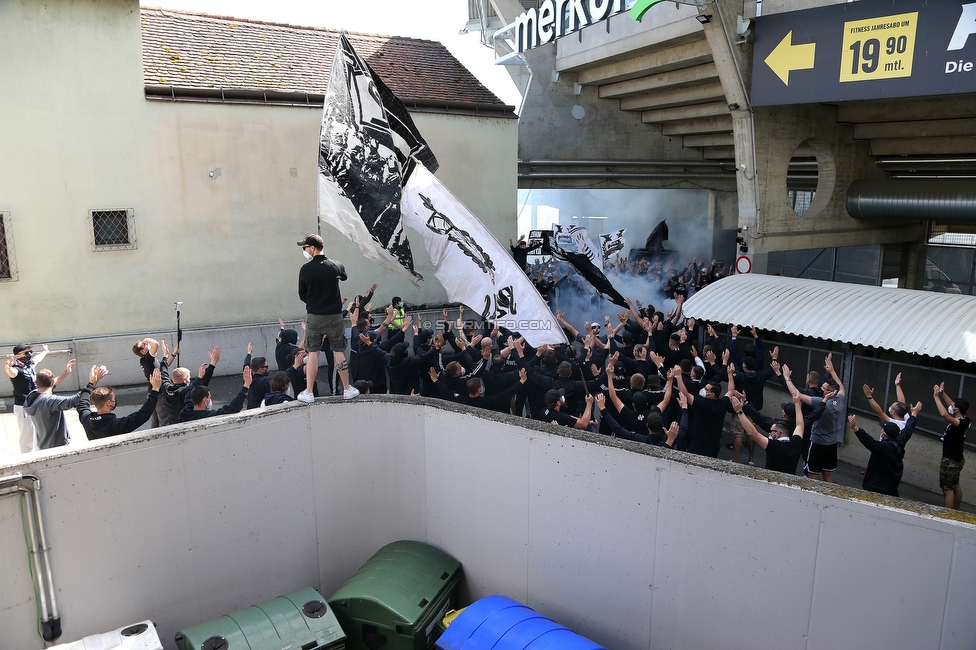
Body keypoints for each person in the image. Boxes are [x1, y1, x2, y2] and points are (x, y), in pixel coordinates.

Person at [297, 234, 358, 401]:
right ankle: (347, 389)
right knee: (338, 350)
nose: (304, 250)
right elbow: (344, 276)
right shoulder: (335, 265)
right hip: (334, 316)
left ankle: (308, 392)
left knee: (313, 352)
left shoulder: (306, 269)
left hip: (315, 316)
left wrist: (314, 301)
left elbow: (302, 294)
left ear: (312, 248)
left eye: (305, 247)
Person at [790, 353, 847, 483]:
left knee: (813, 476)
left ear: (830, 393)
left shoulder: (821, 403)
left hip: (817, 444)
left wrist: (787, 379)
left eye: (824, 388)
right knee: (828, 477)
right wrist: (832, 371)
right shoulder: (840, 401)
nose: (821, 389)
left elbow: (797, 394)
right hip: (832, 444)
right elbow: (842, 387)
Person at [731, 389, 805, 475]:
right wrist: (797, 403)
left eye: (771, 431)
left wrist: (739, 411)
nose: (769, 433)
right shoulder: (796, 444)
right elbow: (800, 425)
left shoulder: (774, 446)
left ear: (778, 434)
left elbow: (753, 432)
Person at [848, 410, 917, 498]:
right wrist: (914, 414)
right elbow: (908, 430)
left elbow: (869, 441)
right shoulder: (900, 443)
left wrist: (855, 428)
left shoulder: (882, 447)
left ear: (884, 434)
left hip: (875, 487)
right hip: (891, 488)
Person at [78, 368, 162, 440]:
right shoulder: (116, 425)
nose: (115, 400)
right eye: (114, 399)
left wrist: (91, 383)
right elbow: (143, 414)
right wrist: (155, 389)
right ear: (108, 403)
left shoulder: (87, 420)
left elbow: (82, 403)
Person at [23, 360, 89, 450]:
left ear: (36, 383)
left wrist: (66, 373)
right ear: (52, 382)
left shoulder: (31, 396)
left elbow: (50, 386)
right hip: (58, 447)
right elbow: (73, 401)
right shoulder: (49, 401)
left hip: (43, 445)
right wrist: (91, 384)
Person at [5, 343, 52, 453]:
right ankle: (26, 461)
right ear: (18, 355)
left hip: (35, 404)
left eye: (30, 352)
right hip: (23, 407)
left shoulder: (30, 365)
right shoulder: (17, 369)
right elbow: (12, 373)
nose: (29, 354)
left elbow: (37, 359)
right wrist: (8, 368)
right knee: (27, 437)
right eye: (26, 352)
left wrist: (45, 351)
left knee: (39, 434)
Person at [932, 382, 970, 510]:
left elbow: (944, 414)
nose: (950, 406)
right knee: (955, 485)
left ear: (957, 409)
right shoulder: (966, 419)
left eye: (953, 406)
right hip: (958, 458)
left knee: (947, 490)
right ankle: (956, 511)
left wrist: (936, 397)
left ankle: (947, 516)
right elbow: (952, 406)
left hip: (950, 460)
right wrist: (943, 393)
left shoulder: (959, 423)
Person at [180, 367, 252, 422]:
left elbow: (189, 393)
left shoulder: (185, 412)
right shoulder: (206, 416)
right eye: (209, 397)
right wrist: (246, 385)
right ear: (205, 400)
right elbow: (233, 408)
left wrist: (200, 378)